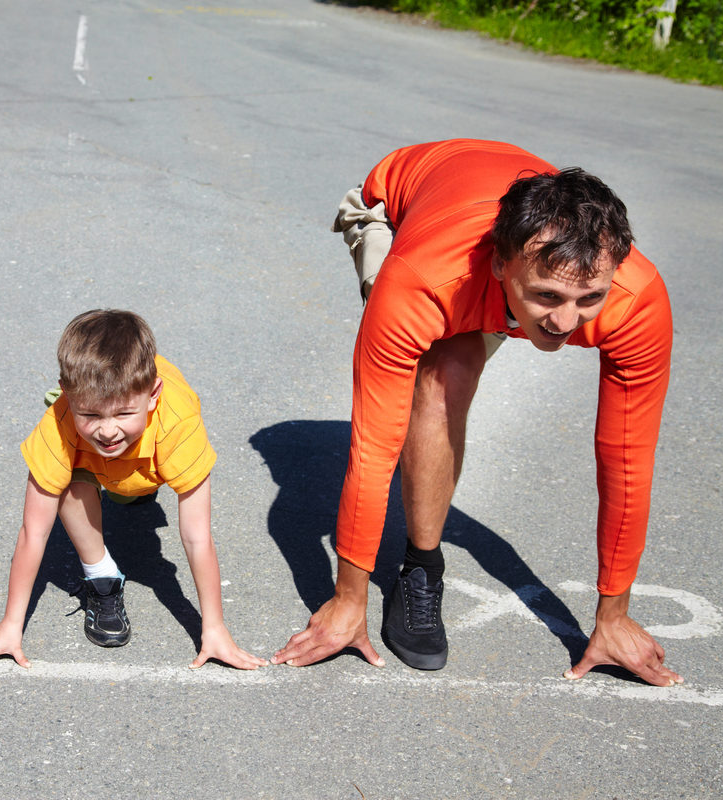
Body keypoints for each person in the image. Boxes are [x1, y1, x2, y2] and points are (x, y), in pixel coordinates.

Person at [272, 139, 681, 686]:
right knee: (446, 371)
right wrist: (348, 597)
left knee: (475, 349)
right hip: (397, 210)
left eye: (589, 299)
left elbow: (627, 459)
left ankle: (423, 561)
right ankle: (421, 567)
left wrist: (614, 614)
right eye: (548, 297)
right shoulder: (420, 280)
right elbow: (374, 446)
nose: (566, 322)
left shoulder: (637, 299)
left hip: (491, 245)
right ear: (500, 263)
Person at [0, 309, 265, 670]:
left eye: (122, 414)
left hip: (151, 462)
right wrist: (11, 626)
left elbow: (197, 537)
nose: (107, 431)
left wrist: (214, 628)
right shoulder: (59, 425)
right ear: (68, 394)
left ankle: (132, 488)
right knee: (66, 477)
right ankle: (101, 574)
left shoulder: (178, 424)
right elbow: (34, 531)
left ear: (153, 395)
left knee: (131, 492)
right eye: (90, 414)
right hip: (93, 462)